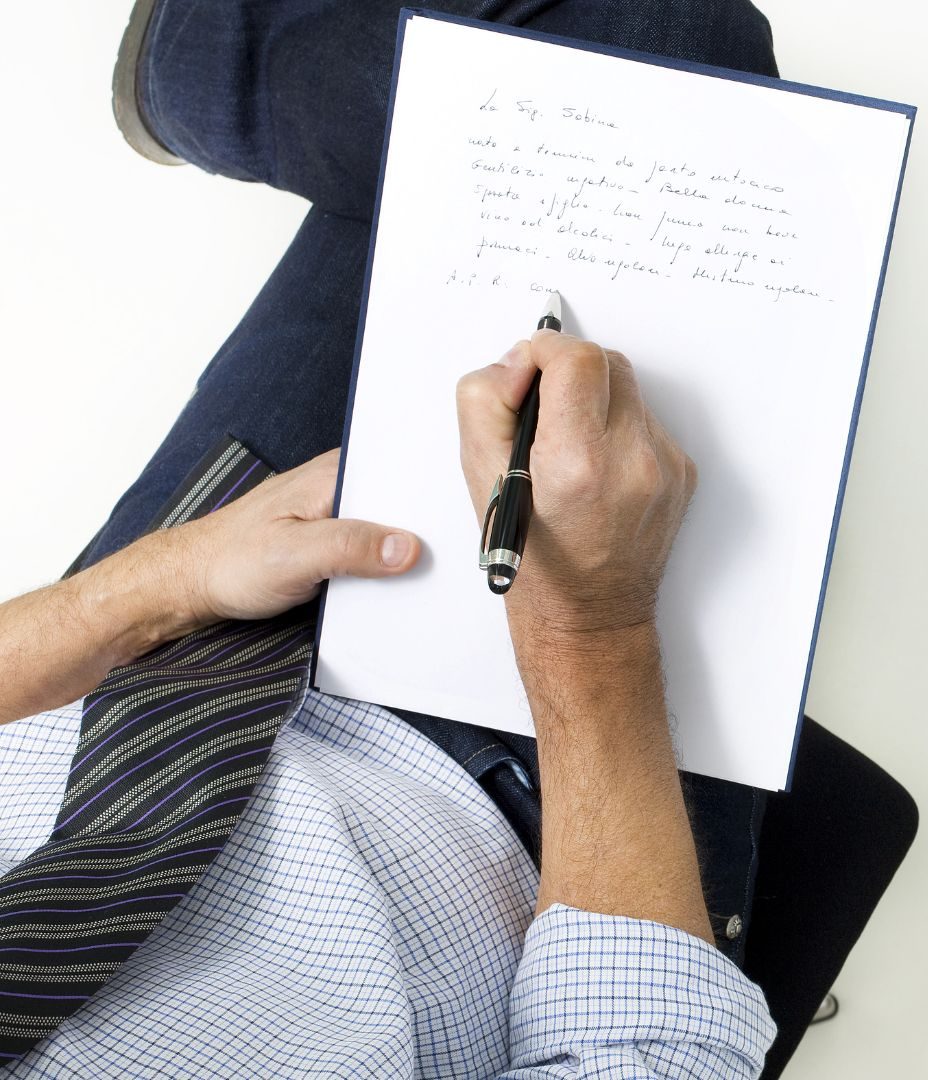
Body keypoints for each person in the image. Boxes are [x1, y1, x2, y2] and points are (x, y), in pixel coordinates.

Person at [0, 1, 783, 1076]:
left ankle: (203, 68)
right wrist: (589, 633)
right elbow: (651, 1057)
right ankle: (200, 65)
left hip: (158, 655)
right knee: (667, 62)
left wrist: (153, 586)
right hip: (543, 805)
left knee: (598, 83)